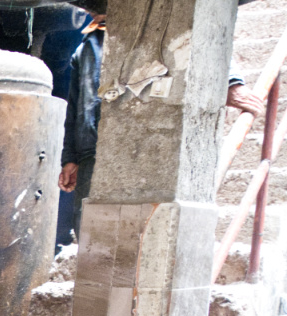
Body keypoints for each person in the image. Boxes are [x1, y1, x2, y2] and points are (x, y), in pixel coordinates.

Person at [59, 12, 266, 236]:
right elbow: (74, 110)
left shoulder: (156, 18)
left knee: (141, 236)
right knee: (89, 236)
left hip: (143, 149)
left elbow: (201, 32)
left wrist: (229, 82)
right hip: (92, 156)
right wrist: (71, 157)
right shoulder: (85, 48)